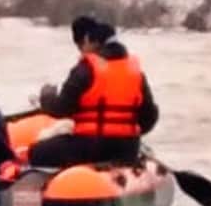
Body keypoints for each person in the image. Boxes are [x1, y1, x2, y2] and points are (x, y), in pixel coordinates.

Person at [30, 15, 159, 169]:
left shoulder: (86, 69)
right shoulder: (135, 72)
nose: (81, 51)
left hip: (90, 148)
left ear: (90, 41)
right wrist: (126, 133)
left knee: (36, 152)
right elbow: (149, 117)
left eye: (81, 45)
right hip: (127, 149)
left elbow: (61, 109)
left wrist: (46, 97)